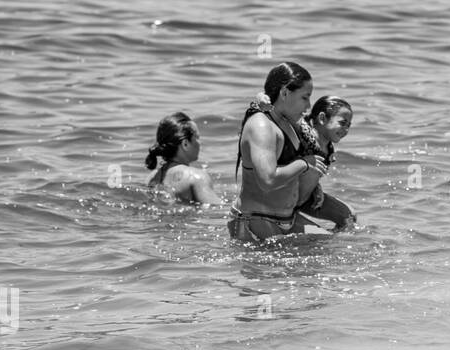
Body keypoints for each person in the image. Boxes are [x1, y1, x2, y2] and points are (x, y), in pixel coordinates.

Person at [228, 62, 329, 242]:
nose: (309, 106)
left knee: (333, 246)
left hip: (286, 220)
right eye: (305, 97)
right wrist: (305, 164)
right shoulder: (262, 126)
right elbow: (268, 180)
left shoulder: (288, 121)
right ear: (284, 93)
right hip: (256, 222)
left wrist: (314, 186)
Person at [295, 95, 356, 229]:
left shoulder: (328, 147)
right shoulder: (300, 138)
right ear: (322, 118)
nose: (346, 130)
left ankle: (338, 246)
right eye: (342, 123)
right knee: (322, 239)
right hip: (284, 203)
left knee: (349, 217)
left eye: (348, 126)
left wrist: (316, 187)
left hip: (305, 199)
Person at [145, 112, 223, 205]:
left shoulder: (151, 178)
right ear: (185, 144)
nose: (200, 143)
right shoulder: (196, 177)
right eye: (197, 137)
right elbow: (217, 210)